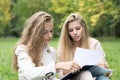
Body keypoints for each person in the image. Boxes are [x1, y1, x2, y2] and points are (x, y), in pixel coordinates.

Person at [12, 11, 80, 80]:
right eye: (45, 32)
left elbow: (50, 77)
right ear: (34, 32)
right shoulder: (22, 50)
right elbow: (30, 74)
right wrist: (57, 65)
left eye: (51, 31)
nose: (50, 35)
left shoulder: (51, 51)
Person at [58, 13, 111, 80]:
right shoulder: (63, 48)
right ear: (67, 32)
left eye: (78, 28)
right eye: (71, 30)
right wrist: (68, 69)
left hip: (95, 76)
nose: (75, 32)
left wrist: (104, 67)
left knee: (103, 78)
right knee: (85, 74)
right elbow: (60, 76)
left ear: (83, 28)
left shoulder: (94, 43)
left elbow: (106, 72)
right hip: (74, 78)